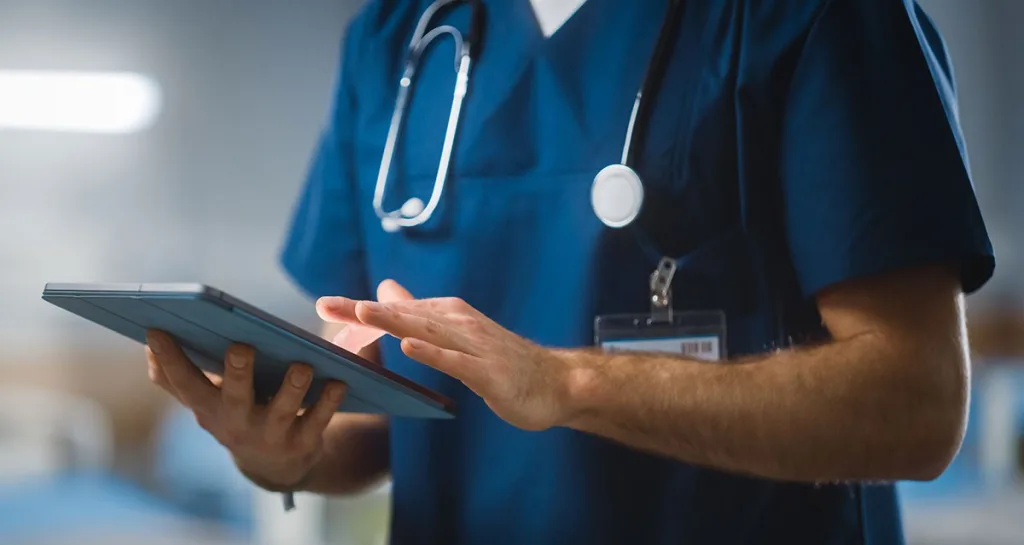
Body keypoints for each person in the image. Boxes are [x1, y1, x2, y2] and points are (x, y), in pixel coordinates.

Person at [145, 0, 996, 543]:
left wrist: (564, 384)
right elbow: (377, 428)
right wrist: (279, 452)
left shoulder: (818, 19)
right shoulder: (395, 42)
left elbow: (917, 404)